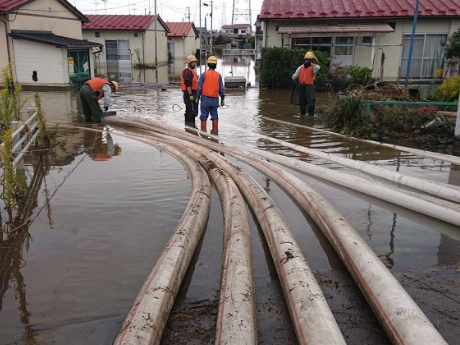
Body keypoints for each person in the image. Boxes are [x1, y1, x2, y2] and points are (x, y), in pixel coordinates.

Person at [197, 56, 225, 133]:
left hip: (205, 99)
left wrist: (197, 97)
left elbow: (199, 88)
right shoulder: (218, 75)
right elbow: (221, 89)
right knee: (215, 116)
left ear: (208, 64)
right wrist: (222, 99)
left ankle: (203, 133)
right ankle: (215, 132)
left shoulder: (203, 75)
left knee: (203, 116)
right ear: (215, 65)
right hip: (215, 99)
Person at [292, 51, 320, 116]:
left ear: (311, 61)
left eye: (308, 60)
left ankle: (310, 115)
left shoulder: (314, 68)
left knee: (311, 103)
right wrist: (294, 79)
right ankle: (303, 115)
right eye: (305, 60)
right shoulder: (300, 68)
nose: (306, 61)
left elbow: (318, 67)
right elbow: (294, 76)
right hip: (301, 86)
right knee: (302, 103)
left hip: (309, 87)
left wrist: (312, 63)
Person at [181, 55, 199, 123]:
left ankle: (190, 127)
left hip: (191, 93)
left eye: (195, 62)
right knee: (191, 111)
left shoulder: (190, 71)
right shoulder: (187, 72)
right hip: (189, 94)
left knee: (192, 110)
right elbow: (188, 85)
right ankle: (190, 127)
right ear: (189, 63)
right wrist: (191, 95)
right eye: (193, 62)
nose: (194, 64)